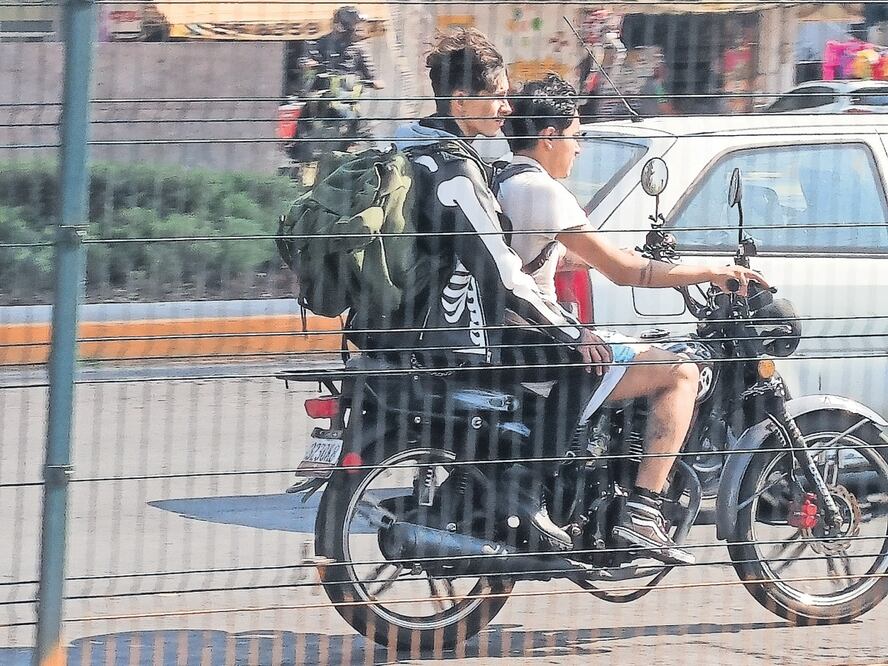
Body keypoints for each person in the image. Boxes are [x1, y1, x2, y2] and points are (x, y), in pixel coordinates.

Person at [498, 74, 767, 565]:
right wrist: (714, 270)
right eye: (576, 134)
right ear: (549, 136)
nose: (578, 149)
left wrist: (636, 255)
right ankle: (644, 512)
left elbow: (547, 254)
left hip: (514, 339)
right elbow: (623, 273)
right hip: (544, 344)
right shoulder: (541, 189)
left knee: (642, 347)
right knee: (682, 370)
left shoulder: (501, 178)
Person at [391, 29, 612, 553]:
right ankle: (525, 493)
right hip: (448, 332)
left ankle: (492, 479)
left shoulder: (405, 145)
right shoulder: (454, 170)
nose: (507, 108)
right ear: (461, 102)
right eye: (498, 96)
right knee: (584, 364)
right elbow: (502, 274)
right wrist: (571, 329)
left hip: (401, 322)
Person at [305, 6, 385, 90]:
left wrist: (375, 81)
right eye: (354, 24)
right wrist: (309, 62)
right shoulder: (322, 42)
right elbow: (309, 56)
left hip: (347, 94)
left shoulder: (359, 47)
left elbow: (370, 71)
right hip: (322, 91)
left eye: (357, 24)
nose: (357, 28)